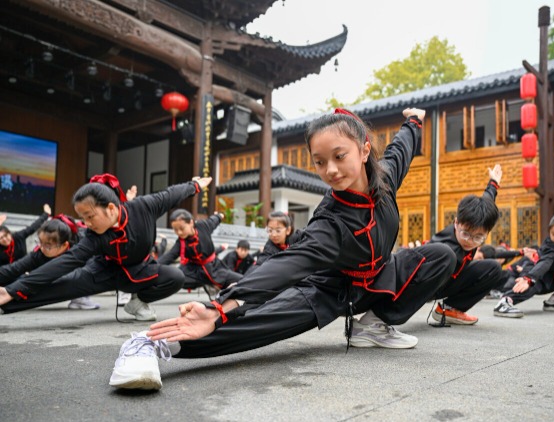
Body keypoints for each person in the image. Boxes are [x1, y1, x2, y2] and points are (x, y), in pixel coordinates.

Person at [107, 107, 458, 391]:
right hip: (330, 289)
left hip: (379, 276)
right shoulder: (330, 223)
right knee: (260, 321)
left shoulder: (386, 177)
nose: (331, 170)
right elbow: (287, 266)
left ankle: (374, 325)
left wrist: (414, 121)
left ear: (365, 150)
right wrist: (219, 307)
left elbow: (402, 148)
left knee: (441, 255)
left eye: (339, 156)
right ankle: (153, 344)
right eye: (319, 161)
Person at [0, 173, 211, 321]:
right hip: (103, 272)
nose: (87, 223)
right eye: (83, 218)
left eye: (90, 216)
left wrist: (194, 186)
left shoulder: (145, 207)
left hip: (141, 269)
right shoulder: (94, 236)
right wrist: (12, 289)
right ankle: (5, 303)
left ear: (111, 208)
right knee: (61, 285)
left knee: (175, 277)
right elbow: (66, 261)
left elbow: (172, 193)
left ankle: (138, 302)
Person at [425, 165, 503, 326]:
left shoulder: (477, 224)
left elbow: (487, 201)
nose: (470, 241)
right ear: (456, 223)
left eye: (478, 237)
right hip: (427, 285)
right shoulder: (445, 249)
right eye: (466, 234)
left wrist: (494, 183)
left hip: (451, 280)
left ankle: (449, 309)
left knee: (493, 268)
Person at [0, 214, 100, 310]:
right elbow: (13, 269)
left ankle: (81, 298)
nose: (42, 248)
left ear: (64, 245)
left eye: (48, 246)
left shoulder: (82, 248)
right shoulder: (39, 254)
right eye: (40, 242)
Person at [158, 209, 243, 299]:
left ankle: (217, 288)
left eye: (182, 228)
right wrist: (153, 267)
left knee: (241, 280)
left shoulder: (203, 226)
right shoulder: (180, 243)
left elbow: (213, 220)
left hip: (215, 267)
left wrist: (219, 216)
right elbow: (169, 257)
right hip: (194, 272)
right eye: (175, 230)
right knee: (175, 277)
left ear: (191, 222)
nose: (179, 232)